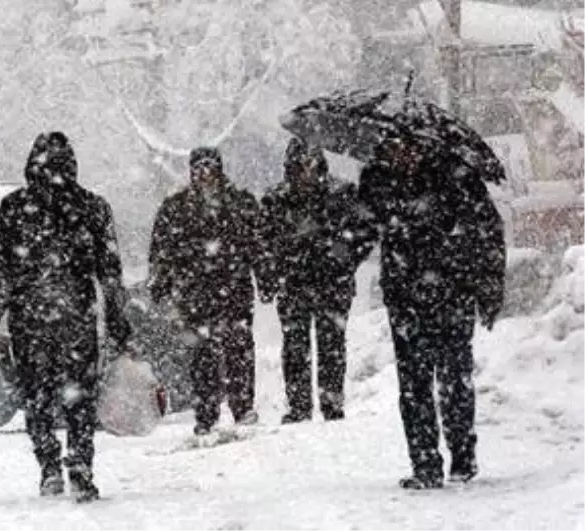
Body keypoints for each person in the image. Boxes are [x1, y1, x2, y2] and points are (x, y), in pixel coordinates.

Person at [0, 131, 133, 503]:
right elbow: (109, 273)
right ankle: (80, 466)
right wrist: (119, 323)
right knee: (79, 398)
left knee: (38, 396)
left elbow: (3, 270)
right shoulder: (92, 207)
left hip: (31, 319)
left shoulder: (15, 207)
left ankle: (49, 467)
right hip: (76, 317)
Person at [358, 135, 505, 489]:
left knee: (454, 378)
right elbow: (361, 229)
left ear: (422, 146)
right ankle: (425, 463)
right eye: (392, 147)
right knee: (414, 385)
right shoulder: (378, 179)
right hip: (405, 297)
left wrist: (489, 287)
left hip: (452, 293)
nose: (401, 154)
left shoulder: (455, 176)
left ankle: (462, 457)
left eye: (406, 147)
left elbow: (488, 231)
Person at [148, 146, 268, 436]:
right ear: (191, 171)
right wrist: (160, 282)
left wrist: (265, 278)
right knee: (203, 355)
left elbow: (259, 245)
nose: (204, 174)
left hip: (234, 289)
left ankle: (243, 407)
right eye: (199, 167)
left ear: (219, 169)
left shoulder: (240, 203)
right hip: (195, 292)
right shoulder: (176, 208)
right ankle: (206, 413)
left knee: (238, 349)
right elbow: (162, 249)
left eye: (210, 167)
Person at [261, 139, 376, 423]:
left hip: (332, 283)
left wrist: (346, 256)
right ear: (291, 167)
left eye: (311, 163)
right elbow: (263, 242)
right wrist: (272, 272)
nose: (307, 171)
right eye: (301, 165)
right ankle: (299, 407)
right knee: (295, 348)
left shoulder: (343, 194)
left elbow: (366, 232)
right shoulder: (275, 200)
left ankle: (332, 405)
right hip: (294, 284)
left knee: (332, 347)